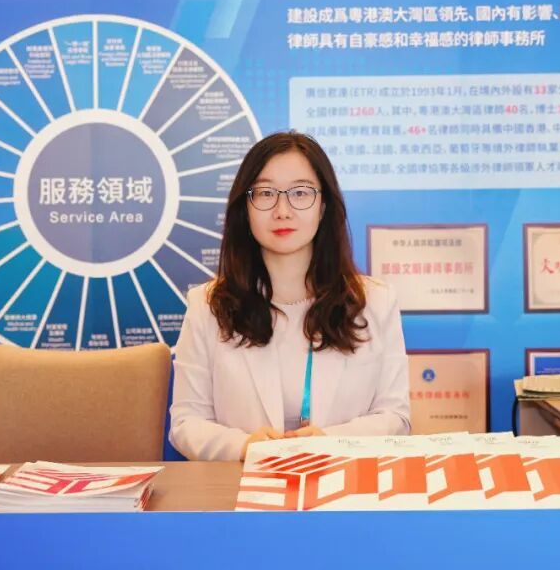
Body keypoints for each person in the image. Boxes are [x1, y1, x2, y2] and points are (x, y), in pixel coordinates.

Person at [169, 131, 410, 461]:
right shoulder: (208, 306)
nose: (282, 210)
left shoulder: (375, 302)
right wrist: (244, 447)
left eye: (300, 193)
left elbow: (396, 417)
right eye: (265, 193)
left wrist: (331, 441)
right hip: (242, 485)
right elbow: (186, 423)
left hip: (342, 484)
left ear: (323, 206)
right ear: (245, 208)